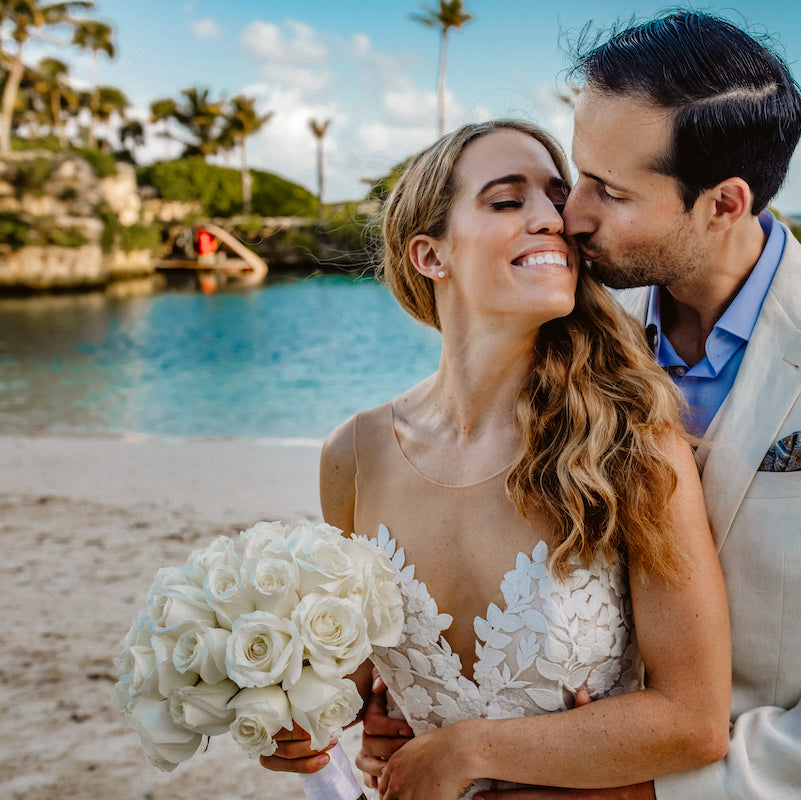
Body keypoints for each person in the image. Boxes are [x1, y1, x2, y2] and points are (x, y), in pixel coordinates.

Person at [359, 11, 801, 800]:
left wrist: (656, 789)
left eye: (609, 191)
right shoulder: (565, 341)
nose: (572, 215)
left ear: (725, 204)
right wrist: (411, 706)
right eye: (578, 174)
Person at [261, 119, 731, 800]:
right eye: (509, 201)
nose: (553, 220)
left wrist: (465, 751)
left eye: (557, 197)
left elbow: (693, 723)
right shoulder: (354, 455)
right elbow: (358, 680)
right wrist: (294, 720)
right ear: (430, 255)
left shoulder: (631, 443)